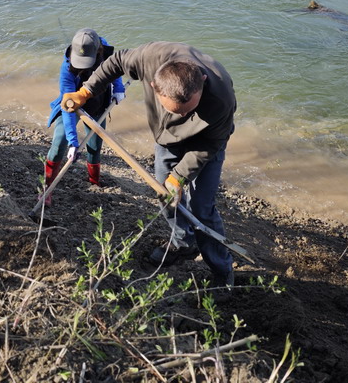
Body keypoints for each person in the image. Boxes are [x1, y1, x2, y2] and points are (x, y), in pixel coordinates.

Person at [62, 42, 236, 286]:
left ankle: (222, 270)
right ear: (154, 86)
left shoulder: (221, 98)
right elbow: (116, 62)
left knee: (202, 209)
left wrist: (179, 176)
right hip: (166, 141)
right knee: (165, 194)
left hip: (205, 144)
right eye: (176, 111)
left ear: (203, 81)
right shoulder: (149, 58)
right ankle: (183, 242)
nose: (183, 116)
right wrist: (86, 92)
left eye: (189, 111)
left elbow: (211, 143)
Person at [42, 29, 126, 205]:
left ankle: (94, 181)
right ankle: (47, 188)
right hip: (73, 106)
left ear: (97, 52)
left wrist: (118, 88)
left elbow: (115, 69)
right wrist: (73, 142)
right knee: (60, 141)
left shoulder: (104, 51)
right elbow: (68, 107)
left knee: (94, 146)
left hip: (98, 102)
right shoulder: (67, 68)